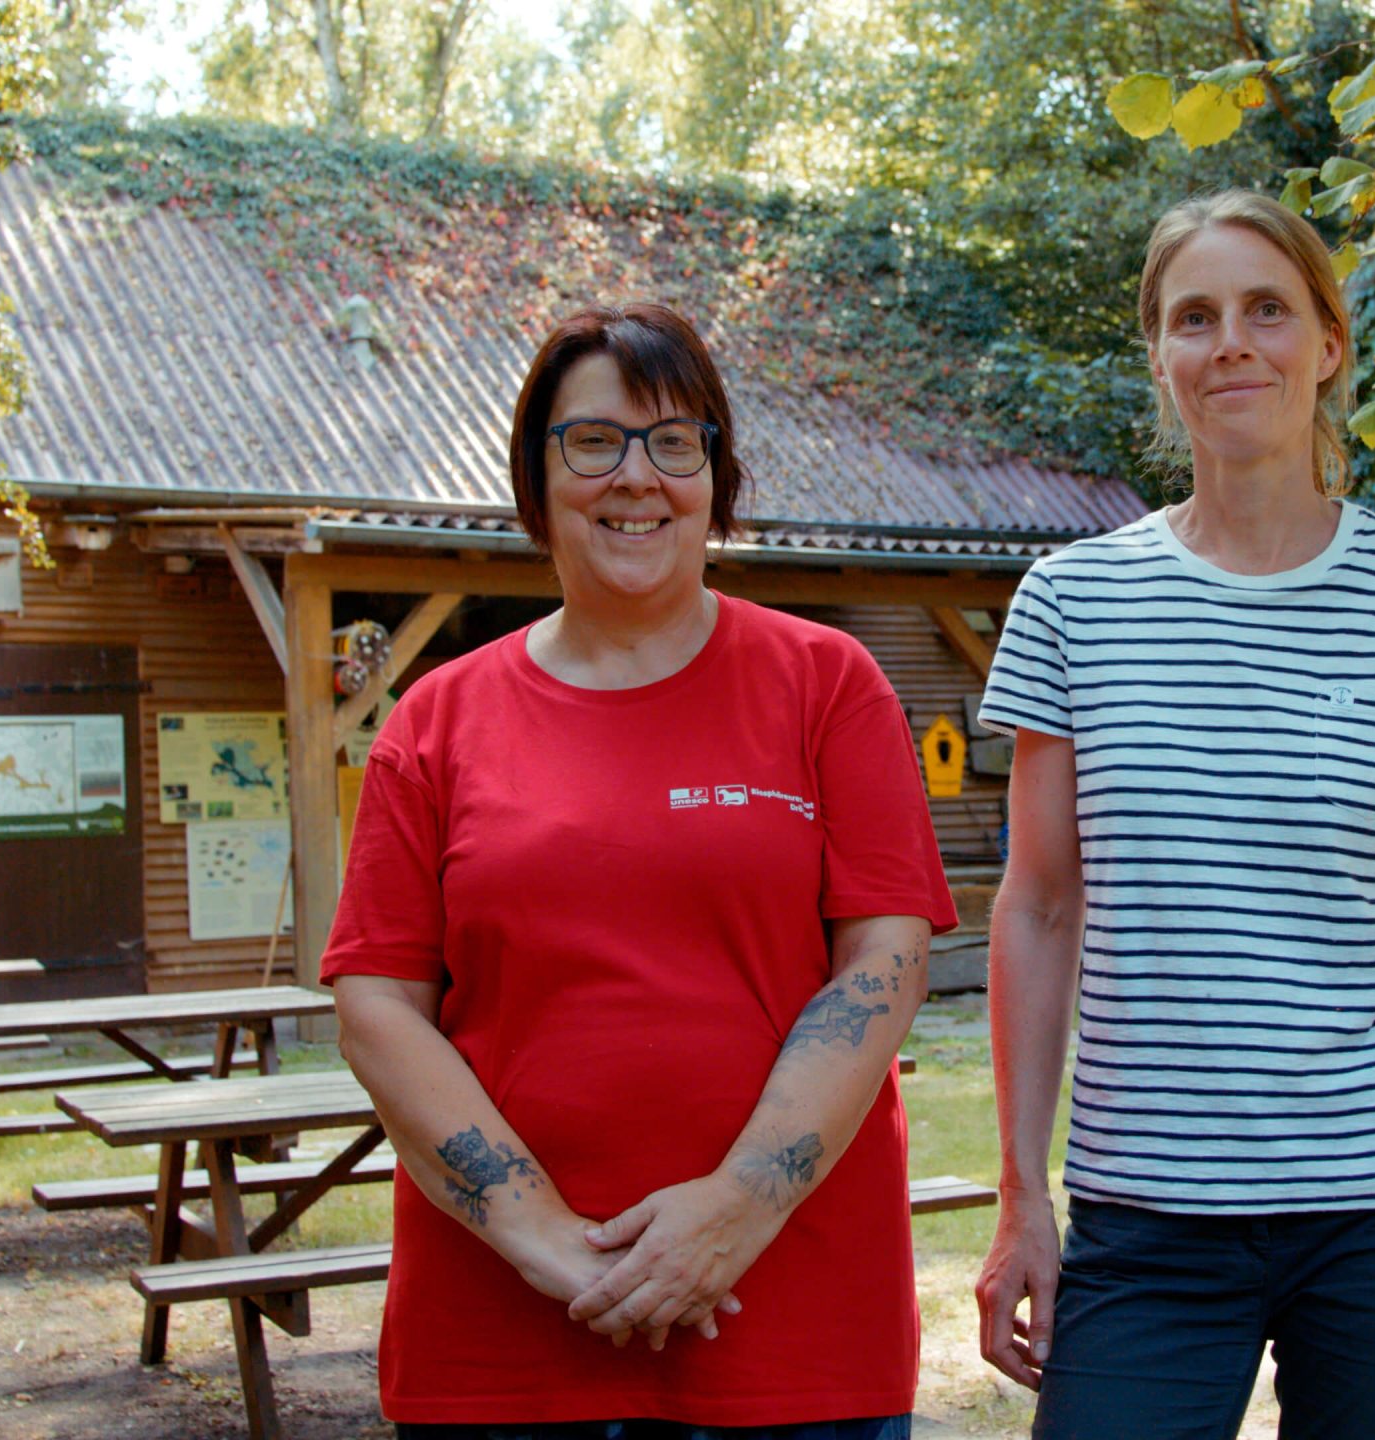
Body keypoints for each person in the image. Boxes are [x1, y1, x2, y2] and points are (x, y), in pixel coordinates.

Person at [325, 301, 958, 1439]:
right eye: (593, 440)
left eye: (675, 443)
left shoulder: (829, 684)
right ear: (536, 473)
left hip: (794, 1330)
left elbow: (884, 959)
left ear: (716, 475)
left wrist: (735, 1208)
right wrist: (548, 1242)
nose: (637, 477)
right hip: (503, 1344)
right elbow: (377, 1004)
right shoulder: (436, 720)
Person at [970, 190, 1375, 1439]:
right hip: (1146, 1211)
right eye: (1194, 317)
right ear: (1161, 357)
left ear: (1328, 345)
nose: (1230, 341)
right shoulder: (1072, 603)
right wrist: (1024, 1194)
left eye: (1266, 309)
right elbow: (1039, 905)